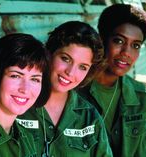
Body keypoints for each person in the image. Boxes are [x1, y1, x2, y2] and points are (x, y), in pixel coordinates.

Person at [18, 21, 113, 157]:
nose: (70, 72)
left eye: (82, 67)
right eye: (65, 59)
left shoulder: (90, 118)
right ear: (49, 53)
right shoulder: (18, 103)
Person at [78, 4, 146, 157]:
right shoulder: (74, 88)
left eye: (135, 45)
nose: (127, 53)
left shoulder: (139, 95)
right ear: (102, 39)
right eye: (119, 41)